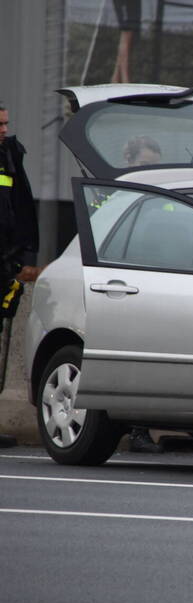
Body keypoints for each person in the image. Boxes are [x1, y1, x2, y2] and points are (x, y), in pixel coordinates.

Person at [0, 103, 40, 448]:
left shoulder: (9, 156)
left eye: (6, 123)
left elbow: (22, 207)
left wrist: (22, 258)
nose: (3, 130)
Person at [111, 0, 141, 83]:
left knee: (128, 35)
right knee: (126, 33)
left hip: (133, 3)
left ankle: (116, 79)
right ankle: (125, 80)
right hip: (125, 3)